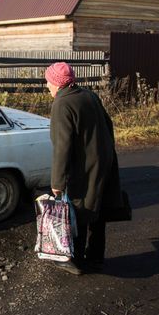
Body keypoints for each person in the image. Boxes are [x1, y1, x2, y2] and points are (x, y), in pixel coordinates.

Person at [45, 61, 120, 275]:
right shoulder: (88, 95)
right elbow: (108, 125)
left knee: (78, 211)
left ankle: (74, 261)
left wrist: (57, 182)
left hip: (83, 168)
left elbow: (62, 147)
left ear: (57, 83)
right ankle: (96, 258)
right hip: (102, 163)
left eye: (48, 82)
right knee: (99, 210)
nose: (47, 86)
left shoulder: (62, 104)